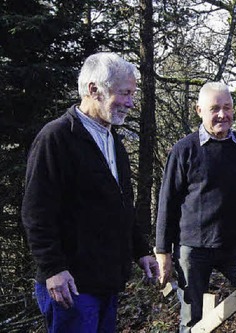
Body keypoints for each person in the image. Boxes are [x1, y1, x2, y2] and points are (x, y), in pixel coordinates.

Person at [21, 52, 160, 332]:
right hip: (70, 286)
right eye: (124, 93)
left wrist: (140, 250)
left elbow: (121, 205)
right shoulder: (56, 138)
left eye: (132, 94)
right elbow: (36, 212)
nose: (131, 103)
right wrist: (53, 268)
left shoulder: (114, 141)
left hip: (106, 282)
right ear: (93, 89)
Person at [155, 82, 236, 332]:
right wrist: (163, 251)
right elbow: (167, 202)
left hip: (235, 248)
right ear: (199, 110)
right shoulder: (184, 151)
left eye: (227, 107)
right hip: (191, 249)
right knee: (192, 319)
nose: (223, 114)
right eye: (215, 108)